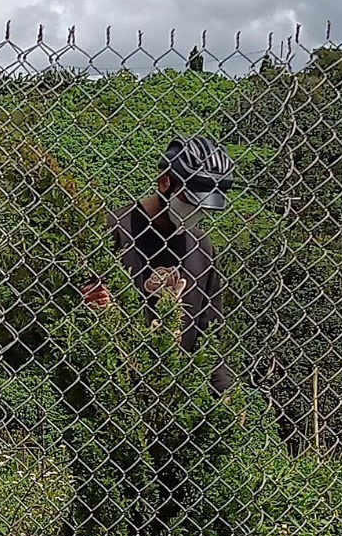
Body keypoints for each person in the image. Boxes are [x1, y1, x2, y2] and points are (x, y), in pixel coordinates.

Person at [86, 135, 236, 386]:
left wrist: (224, 393)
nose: (197, 212)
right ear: (165, 182)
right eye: (191, 200)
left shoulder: (201, 247)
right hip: (113, 383)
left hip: (176, 391)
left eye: (205, 207)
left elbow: (210, 331)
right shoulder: (114, 230)